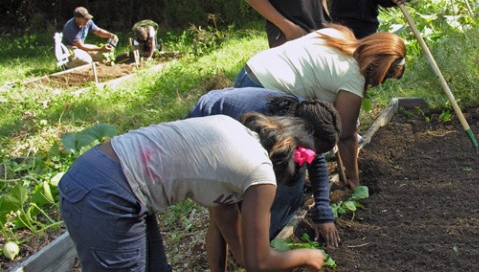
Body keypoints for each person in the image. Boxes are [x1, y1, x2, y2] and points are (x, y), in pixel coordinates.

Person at [58, 113, 337, 271]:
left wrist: (244, 258)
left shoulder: (235, 136)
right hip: (107, 193)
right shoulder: (261, 175)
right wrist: (307, 256)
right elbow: (258, 262)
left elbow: (229, 223)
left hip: (104, 174)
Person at [233, 24, 406, 190]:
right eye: (387, 76)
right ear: (381, 68)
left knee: (247, 155)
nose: (382, 82)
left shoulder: (338, 35)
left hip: (250, 73)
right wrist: (354, 178)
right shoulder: (353, 77)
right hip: (266, 94)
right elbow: (345, 136)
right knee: (280, 165)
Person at [184, 87, 341, 250]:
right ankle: (244, 247)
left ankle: (267, 236)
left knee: (287, 181)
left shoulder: (311, 116)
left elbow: (315, 159)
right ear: (303, 135)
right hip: (206, 129)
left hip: (236, 124)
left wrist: (323, 211)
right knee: (223, 212)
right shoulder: (258, 126)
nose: (312, 155)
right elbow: (247, 181)